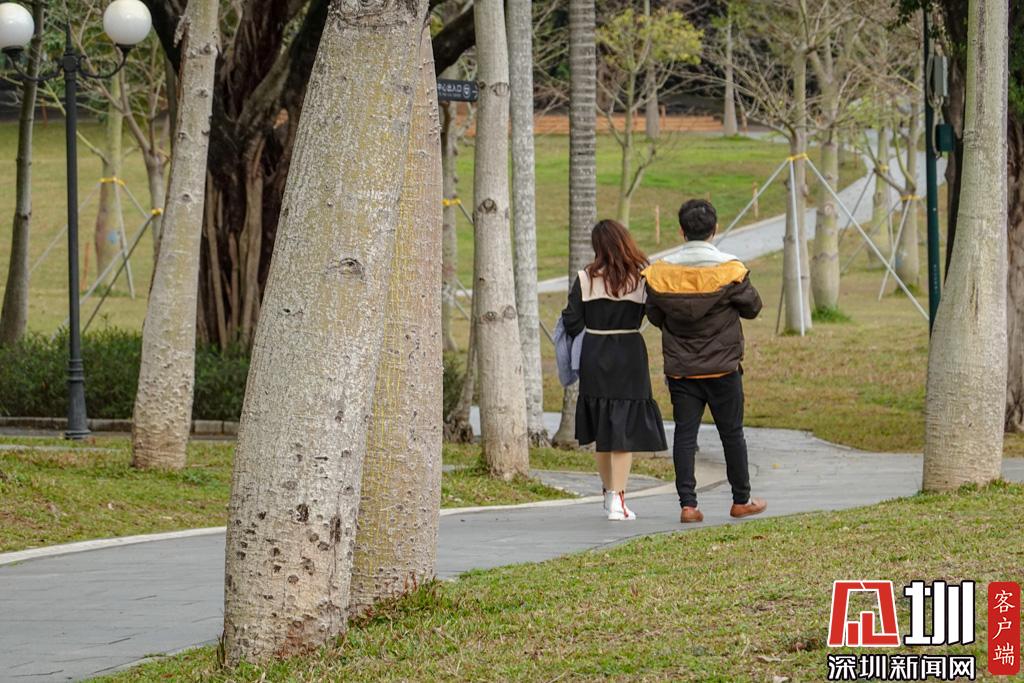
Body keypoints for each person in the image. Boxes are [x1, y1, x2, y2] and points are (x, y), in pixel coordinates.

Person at [643, 199, 767, 524]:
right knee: (732, 434)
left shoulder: (661, 273)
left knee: (685, 435)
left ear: (681, 231)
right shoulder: (730, 270)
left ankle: (688, 505)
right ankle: (741, 500)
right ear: (715, 229)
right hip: (723, 367)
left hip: (682, 370)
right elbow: (753, 308)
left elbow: (653, 314)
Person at [561, 219, 667, 521]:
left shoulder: (585, 278)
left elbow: (572, 320)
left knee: (603, 429)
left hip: (595, 353)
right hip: (630, 353)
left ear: (598, 246)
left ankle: (610, 495)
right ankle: (618, 498)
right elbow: (656, 315)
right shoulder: (641, 278)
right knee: (624, 429)